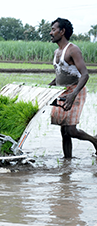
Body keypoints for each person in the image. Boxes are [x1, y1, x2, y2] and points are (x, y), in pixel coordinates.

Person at [49, 17, 97, 158]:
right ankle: (67, 160)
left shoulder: (73, 50)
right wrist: (50, 86)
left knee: (70, 130)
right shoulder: (57, 52)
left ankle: (95, 140)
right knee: (64, 131)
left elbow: (85, 75)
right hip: (63, 91)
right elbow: (61, 74)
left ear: (62, 31)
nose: (51, 33)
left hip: (76, 91)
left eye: (53, 30)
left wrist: (74, 94)